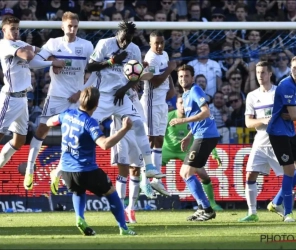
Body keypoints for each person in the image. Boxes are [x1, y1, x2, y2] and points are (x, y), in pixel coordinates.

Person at [46, 87, 136, 236]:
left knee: (78, 191)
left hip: (67, 171)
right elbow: (105, 144)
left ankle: (79, 218)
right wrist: (125, 129)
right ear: (97, 104)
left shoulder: (67, 114)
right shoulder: (89, 122)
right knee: (111, 193)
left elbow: (50, 122)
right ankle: (124, 228)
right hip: (86, 170)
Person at [24, 12, 94, 192]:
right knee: (42, 130)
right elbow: (33, 63)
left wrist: (81, 92)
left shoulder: (86, 46)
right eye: (69, 26)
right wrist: (52, 62)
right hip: (56, 96)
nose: (72, 29)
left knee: (75, 137)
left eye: (75, 26)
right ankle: (30, 169)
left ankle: (58, 172)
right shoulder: (53, 44)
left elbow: (96, 72)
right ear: (62, 27)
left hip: (77, 99)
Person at [86, 20, 164, 180]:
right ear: (118, 34)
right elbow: (90, 66)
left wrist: (125, 88)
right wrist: (111, 61)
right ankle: (74, 163)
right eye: (123, 39)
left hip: (122, 96)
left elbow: (136, 76)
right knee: (86, 128)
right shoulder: (104, 44)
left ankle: (149, 166)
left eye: (128, 40)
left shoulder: (134, 49)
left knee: (138, 125)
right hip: (103, 96)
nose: (125, 42)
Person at [0, 15, 64, 171]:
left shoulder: (20, 44)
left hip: (23, 100)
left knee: (19, 141)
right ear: (3, 30)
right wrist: (46, 58)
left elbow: (37, 53)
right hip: (10, 98)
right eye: (12, 29)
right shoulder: (5, 45)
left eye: (17, 28)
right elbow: (29, 56)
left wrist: (51, 58)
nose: (16, 32)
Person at [169, 64, 220, 221]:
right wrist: (189, 136)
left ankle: (207, 209)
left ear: (192, 77)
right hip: (200, 135)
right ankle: (201, 207)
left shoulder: (195, 90)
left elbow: (206, 112)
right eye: (181, 76)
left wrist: (182, 120)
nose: (183, 79)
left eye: (186, 76)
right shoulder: (184, 95)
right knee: (191, 172)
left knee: (185, 172)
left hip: (206, 135)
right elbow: (198, 116)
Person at [238, 61, 284, 222]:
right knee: (250, 174)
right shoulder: (252, 96)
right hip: (260, 142)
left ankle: (281, 205)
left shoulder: (279, 92)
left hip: (279, 142)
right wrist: (265, 120)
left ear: (270, 74)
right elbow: (248, 123)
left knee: (293, 177)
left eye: (263, 72)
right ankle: (252, 213)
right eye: (258, 72)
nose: (260, 76)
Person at [163, 93, 223, 211]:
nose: (183, 106)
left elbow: (205, 133)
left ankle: (211, 203)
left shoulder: (194, 116)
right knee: (148, 168)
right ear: (176, 104)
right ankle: (131, 199)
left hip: (186, 150)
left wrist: (214, 153)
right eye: (180, 103)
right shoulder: (169, 116)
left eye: (185, 103)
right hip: (168, 149)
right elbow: (159, 134)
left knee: (203, 175)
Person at [110, 89, 155, 224]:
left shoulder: (133, 84)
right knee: (123, 170)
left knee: (135, 170)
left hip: (138, 131)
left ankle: (131, 208)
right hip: (121, 131)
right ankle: (121, 209)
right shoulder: (113, 86)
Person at [140, 31, 177, 196]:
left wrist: (172, 86)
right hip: (151, 103)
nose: (160, 46)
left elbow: (166, 77)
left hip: (161, 102)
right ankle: (143, 178)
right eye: (156, 43)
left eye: (162, 42)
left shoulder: (165, 54)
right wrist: (170, 69)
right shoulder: (151, 58)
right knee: (149, 139)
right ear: (150, 43)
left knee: (160, 139)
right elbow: (154, 82)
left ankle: (157, 181)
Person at [266, 55, 296, 222]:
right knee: (290, 171)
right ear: (290, 68)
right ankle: (288, 213)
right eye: (294, 67)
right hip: (278, 133)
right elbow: (293, 115)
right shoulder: (287, 85)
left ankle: (276, 202)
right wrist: (295, 114)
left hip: (290, 131)